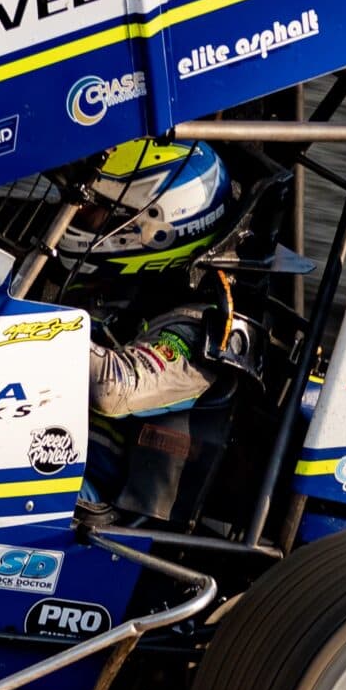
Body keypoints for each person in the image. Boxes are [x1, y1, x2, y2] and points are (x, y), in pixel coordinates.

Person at [59, 138, 263, 523]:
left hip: (94, 505)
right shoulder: (112, 283)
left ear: (154, 227)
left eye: (98, 210)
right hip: (35, 449)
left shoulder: (200, 325)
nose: (78, 214)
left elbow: (113, 388)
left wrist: (27, 328)